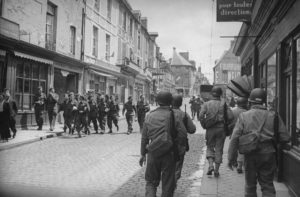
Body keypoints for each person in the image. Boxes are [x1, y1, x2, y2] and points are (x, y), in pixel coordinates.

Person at [228, 88, 290, 197]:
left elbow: (234, 138)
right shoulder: (274, 116)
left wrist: (231, 158)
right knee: (267, 185)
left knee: (250, 185)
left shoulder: (244, 116)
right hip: (268, 154)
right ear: (264, 101)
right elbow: (285, 137)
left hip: (250, 154)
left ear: (250, 102)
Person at [140, 91, 178, 197]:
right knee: (168, 185)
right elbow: (182, 135)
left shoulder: (149, 116)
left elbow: (144, 138)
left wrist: (143, 154)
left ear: (157, 102)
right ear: (170, 102)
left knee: (151, 182)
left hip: (153, 152)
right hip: (169, 153)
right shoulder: (174, 115)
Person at [199, 86, 234, 177]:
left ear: (211, 94)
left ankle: (210, 165)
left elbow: (201, 116)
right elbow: (231, 117)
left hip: (210, 129)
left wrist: (204, 125)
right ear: (221, 94)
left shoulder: (206, 104)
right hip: (221, 129)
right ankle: (217, 170)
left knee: (210, 147)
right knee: (219, 149)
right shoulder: (224, 104)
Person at [172, 94, 196, 184]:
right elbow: (192, 130)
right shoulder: (184, 114)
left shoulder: (166, 113)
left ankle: (168, 184)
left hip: (166, 143)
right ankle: (172, 183)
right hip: (180, 144)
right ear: (181, 103)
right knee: (178, 165)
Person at [228, 97, 248, 174]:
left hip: (234, 132)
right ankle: (239, 165)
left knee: (234, 147)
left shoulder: (233, 111)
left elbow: (229, 121)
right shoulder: (247, 112)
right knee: (241, 149)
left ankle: (235, 162)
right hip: (244, 133)